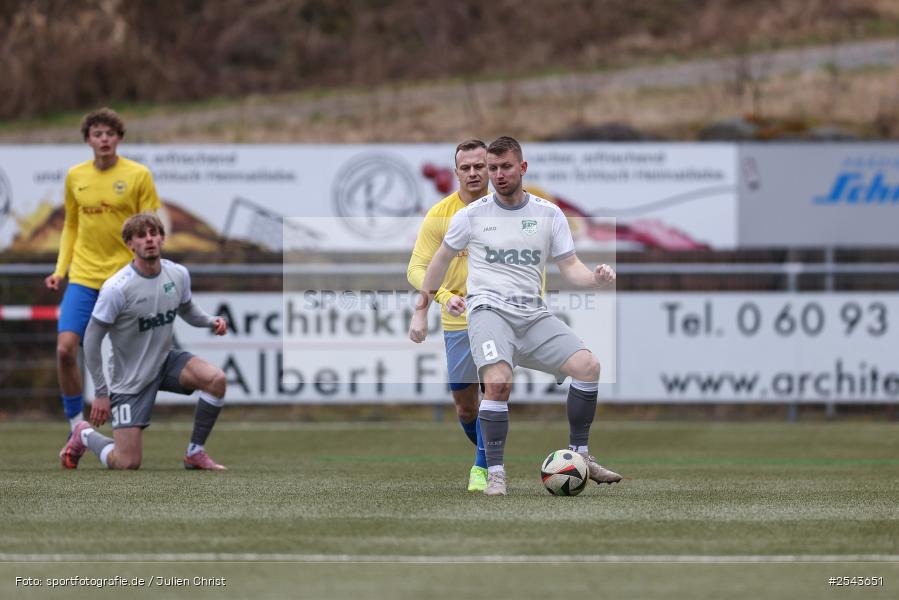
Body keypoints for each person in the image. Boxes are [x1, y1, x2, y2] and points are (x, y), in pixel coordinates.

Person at [409, 136, 622, 496]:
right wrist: (422, 310)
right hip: (488, 312)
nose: (497, 175)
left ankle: (582, 457)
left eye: (504, 167)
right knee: (497, 382)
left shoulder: (548, 214)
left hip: (533, 315)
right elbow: (437, 263)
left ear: (522, 168)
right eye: (492, 169)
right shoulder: (470, 215)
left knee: (588, 367)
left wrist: (596, 279)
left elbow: (570, 269)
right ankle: (494, 475)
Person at [59, 213, 229, 471]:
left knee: (215, 379)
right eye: (141, 235)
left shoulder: (178, 274)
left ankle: (195, 452)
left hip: (164, 361)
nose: (149, 239)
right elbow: (91, 340)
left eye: (153, 233)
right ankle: (83, 434)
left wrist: (210, 321)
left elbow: (187, 309)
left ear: (162, 238)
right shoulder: (117, 288)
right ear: (130, 244)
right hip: (130, 380)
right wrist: (101, 393)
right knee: (126, 462)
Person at [45, 107, 161, 437]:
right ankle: (75, 426)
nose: (104, 139)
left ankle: (129, 424)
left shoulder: (138, 175)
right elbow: (70, 224)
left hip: (125, 279)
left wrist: (149, 268)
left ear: (119, 138)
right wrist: (60, 270)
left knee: (134, 359)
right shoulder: (75, 176)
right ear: (88, 140)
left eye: (110, 133)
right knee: (66, 349)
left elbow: (150, 226)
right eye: (97, 134)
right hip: (83, 278)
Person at [407, 140, 490, 492]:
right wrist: (440, 298)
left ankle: (485, 467)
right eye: (466, 167)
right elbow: (416, 268)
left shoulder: (511, 209)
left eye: (479, 166)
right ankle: (493, 449)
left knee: (497, 390)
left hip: (500, 316)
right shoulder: (441, 214)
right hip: (458, 321)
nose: (473, 173)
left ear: (492, 168)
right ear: (456, 172)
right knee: (466, 408)